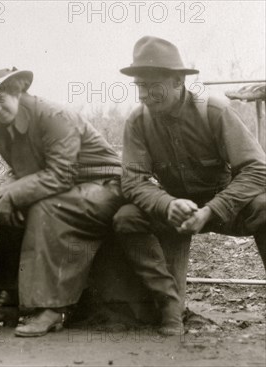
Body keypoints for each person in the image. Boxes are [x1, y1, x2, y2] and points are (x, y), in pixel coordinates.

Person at [0, 67, 131, 337]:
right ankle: (7, 301)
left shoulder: (52, 115)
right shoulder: (7, 127)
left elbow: (60, 174)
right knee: (10, 210)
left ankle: (53, 309)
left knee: (44, 208)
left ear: (18, 88)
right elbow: (20, 172)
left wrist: (13, 194)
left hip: (104, 185)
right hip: (67, 186)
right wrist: (6, 196)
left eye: (0, 96)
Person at [114, 36, 266, 316]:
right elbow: (133, 180)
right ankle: (169, 306)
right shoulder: (138, 121)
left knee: (264, 207)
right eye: (139, 87)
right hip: (175, 211)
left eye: (152, 87)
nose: (143, 95)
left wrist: (211, 210)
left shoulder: (214, 111)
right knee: (126, 217)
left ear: (177, 82)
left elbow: (257, 169)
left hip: (224, 207)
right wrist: (167, 204)